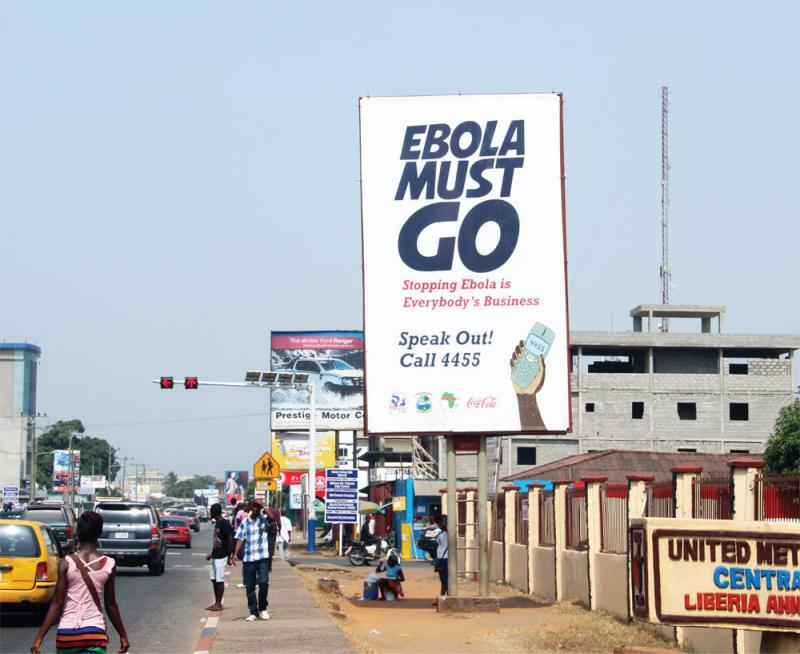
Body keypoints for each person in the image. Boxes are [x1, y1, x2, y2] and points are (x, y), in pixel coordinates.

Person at [31, 511, 129, 654]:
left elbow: (57, 603)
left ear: (77, 533)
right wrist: (123, 636)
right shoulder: (109, 564)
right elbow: (110, 605)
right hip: (94, 632)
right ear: (99, 533)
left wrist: (39, 638)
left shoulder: (66, 563)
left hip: (67, 634)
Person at [232, 501, 271, 622]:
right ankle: (253, 612)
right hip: (248, 559)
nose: (253, 510)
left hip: (262, 557)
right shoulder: (245, 523)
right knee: (250, 587)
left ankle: (263, 608)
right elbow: (240, 539)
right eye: (252, 508)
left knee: (263, 582)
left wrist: (263, 506)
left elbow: (272, 517)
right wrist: (234, 554)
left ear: (258, 509)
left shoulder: (264, 519)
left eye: (256, 508)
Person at [205, 503, 234, 611]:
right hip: (215, 555)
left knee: (220, 580)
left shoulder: (224, 523)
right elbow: (217, 541)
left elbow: (230, 541)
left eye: (211, 511)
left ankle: (219, 603)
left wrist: (230, 556)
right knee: (213, 579)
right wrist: (211, 554)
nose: (210, 513)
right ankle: (216, 602)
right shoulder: (217, 523)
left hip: (222, 556)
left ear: (214, 512)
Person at [435, 514, 449, 596]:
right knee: (443, 580)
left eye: (439, 523)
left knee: (445, 580)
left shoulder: (447, 531)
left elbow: (444, 525)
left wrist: (444, 521)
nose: (438, 525)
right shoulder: (442, 532)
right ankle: (442, 597)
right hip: (440, 558)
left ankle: (449, 597)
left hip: (445, 558)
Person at [266, 502, 281, 571]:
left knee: (265, 547)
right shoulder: (276, 511)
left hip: (265, 530)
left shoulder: (265, 511)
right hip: (273, 530)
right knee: (271, 548)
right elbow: (278, 522)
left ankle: (265, 565)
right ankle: (269, 566)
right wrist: (279, 529)